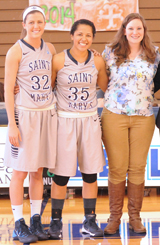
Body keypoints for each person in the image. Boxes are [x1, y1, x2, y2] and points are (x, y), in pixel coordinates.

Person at [48, 19, 108, 239]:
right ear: (71, 35)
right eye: (80, 34)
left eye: (89, 35)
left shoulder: (98, 62)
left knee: (90, 174)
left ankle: (89, 220)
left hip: (89, 120)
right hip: (64, 121)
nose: (84, 39)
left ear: (93, 38)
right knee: (61, 175)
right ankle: (55, 221)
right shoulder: (58, 60)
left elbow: (106, 87)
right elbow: (47, 89)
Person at [101, 12, 160, 235]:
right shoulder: (109, 53)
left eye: (139, 29)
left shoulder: (154, 55)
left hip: (143, 117)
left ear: (144, 32)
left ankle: (135, 218)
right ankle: (114, 218)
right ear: (124, 30)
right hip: (114, 115)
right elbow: (99, 79)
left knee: (137, 168)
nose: (135, 32)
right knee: (117, 168)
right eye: (131, 28)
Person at [3, 5, 57, 243]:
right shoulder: (15, 51)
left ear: (45, 25)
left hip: (45, 115)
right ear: (24, 24)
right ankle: (18, 224)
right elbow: (7, 89)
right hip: (23, 117)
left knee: (38, 172)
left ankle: (36, 220)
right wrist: (13, 125)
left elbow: (53, 81)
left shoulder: (51, 48)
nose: (36, 26)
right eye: (31, 22)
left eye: (40, 22)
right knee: (20, 171)